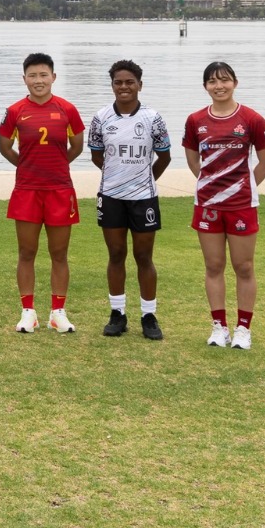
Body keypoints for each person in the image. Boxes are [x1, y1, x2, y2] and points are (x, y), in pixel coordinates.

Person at [182, 60, 265, 350]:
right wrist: (211, 184)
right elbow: (193, 159)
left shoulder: (252, 119)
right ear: (205, 86)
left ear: (235, 82)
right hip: (208, 205)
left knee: (244, 266)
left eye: (224, 80)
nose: (218, 86)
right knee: (213, 265)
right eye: (212, 81)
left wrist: (244, 186)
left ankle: (243, 329)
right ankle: (218, 327)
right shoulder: (195, 120)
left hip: (242, 205)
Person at [0, 52, 85, 334]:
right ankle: (28, 313)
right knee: (26, 252)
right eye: (32, 76)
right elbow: (5, 148)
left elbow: (77, 146)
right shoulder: (14, 111)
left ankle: (58, 312)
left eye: (43, 75)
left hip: (60, 190)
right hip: (27, 190)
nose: (38, 80)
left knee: (59, 253)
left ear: (53, 77)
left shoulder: (67, 109)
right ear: (24, 79)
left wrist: (56, 167)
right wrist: (27, 167)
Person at [86, 60, 172, 341]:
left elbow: (164, 156)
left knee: (144, 257)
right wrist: (117, 177)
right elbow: (97, 156)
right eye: (118, 82)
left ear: (139, 85)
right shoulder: (100, 118)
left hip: (143, 198)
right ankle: (117, 313)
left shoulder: (153, 118)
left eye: (129, 82)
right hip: (110, 196)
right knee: (116, 254)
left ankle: (149, 315)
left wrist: (142, 180)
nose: (124, 87)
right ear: (112, 85)